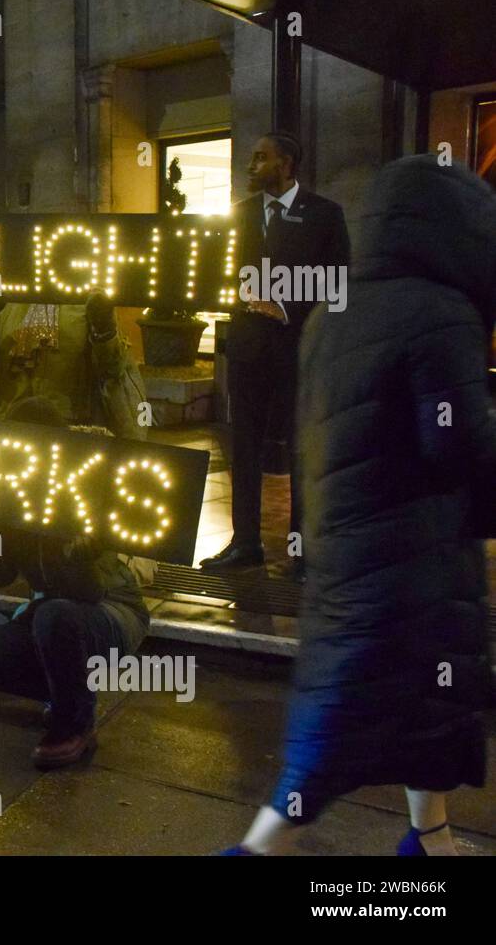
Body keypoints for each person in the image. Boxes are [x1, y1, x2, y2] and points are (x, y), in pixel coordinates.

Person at [225, 157, 495, 857]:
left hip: (349, 557)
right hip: (414, 565)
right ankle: (254, 852)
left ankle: (430, 837)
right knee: (338, 742)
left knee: (399, 712)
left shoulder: (333, 314)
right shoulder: (442, 310)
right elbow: (456, 443)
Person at [0, 397, 155, 769]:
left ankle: (74, 727)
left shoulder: (82, 488)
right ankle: (71, 693)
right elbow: (0, 575)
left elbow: (89, 592)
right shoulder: (10, 495)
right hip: (50, 611)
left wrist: (76, 554)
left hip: (112, 608)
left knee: (53, 616)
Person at [201, 132, 350, 579]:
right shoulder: (240, 216)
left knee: (303, 450)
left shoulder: (325, 215)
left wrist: (285, 306)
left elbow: (338, 289)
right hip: (247, 352)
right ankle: (245, 544)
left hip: (297, 351)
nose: (251, 166)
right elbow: (216, 273)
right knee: (242, 448)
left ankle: (302, 552)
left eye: (260, 158)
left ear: (286, 163)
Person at [0, 287, 148, 440]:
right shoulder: (13, 309)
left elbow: (112, 368)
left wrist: (105, 330)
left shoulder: (86, 307)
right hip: (12, 428)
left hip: (69, 431)